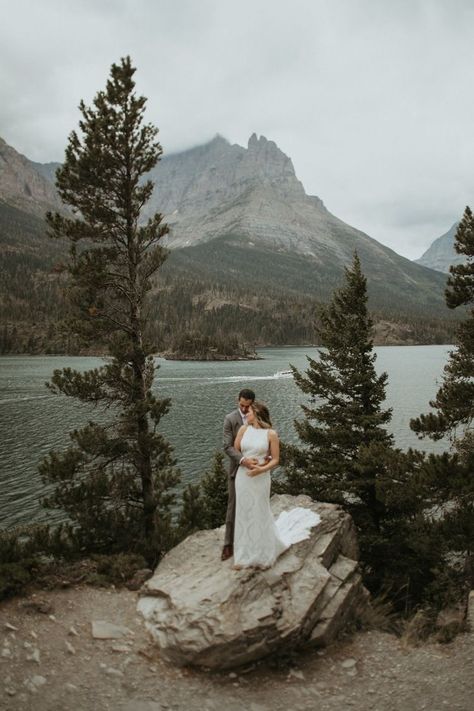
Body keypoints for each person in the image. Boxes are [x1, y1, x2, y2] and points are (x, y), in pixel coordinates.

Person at [232, 401, 286, 569]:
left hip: (261, 476)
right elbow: (236, 451)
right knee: (243, 511)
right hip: (243, 476)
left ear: (256, 414)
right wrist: (245, 461)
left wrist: (261, 470)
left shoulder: (271, 434)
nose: (245, 414)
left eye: (248, 412)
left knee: (259, 510)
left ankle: (263, 554)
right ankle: (242, 555)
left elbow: (276, 459)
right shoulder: (243, 429)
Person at [221, 388, 257, 561]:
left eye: (247, 406)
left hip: (257, 471)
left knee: (254, 505)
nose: (243, 409)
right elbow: (227, 447)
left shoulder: (259, 418)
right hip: (238, 469)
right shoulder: (230, 419)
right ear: (238, 401)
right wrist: (243, 460)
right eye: (241, 405)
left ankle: (251, 540)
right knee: (233, 505)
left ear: (252, 404)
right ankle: (228, 544)